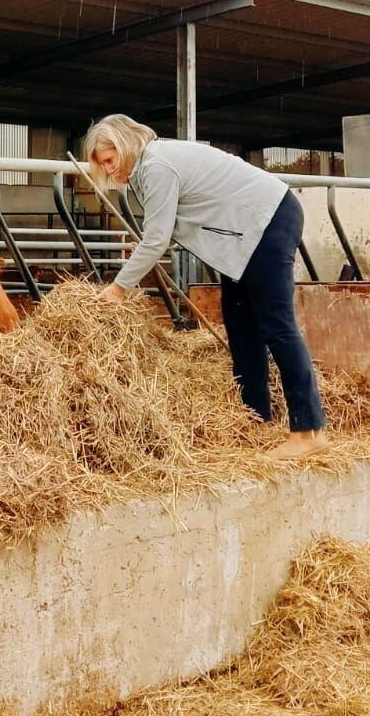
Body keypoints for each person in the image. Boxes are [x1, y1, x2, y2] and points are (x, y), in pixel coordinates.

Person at [85, 113, 327, 459]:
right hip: (245, 233)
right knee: (241, 324)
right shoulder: (146, 169)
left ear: (124, 147)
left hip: (266, 220)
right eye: (102, 165)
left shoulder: (156, 166)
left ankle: (308, 431)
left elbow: (156, 239)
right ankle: (255, 419)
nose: (108, 171)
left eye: (109, 160)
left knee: (276, 324)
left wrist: (118, 288)